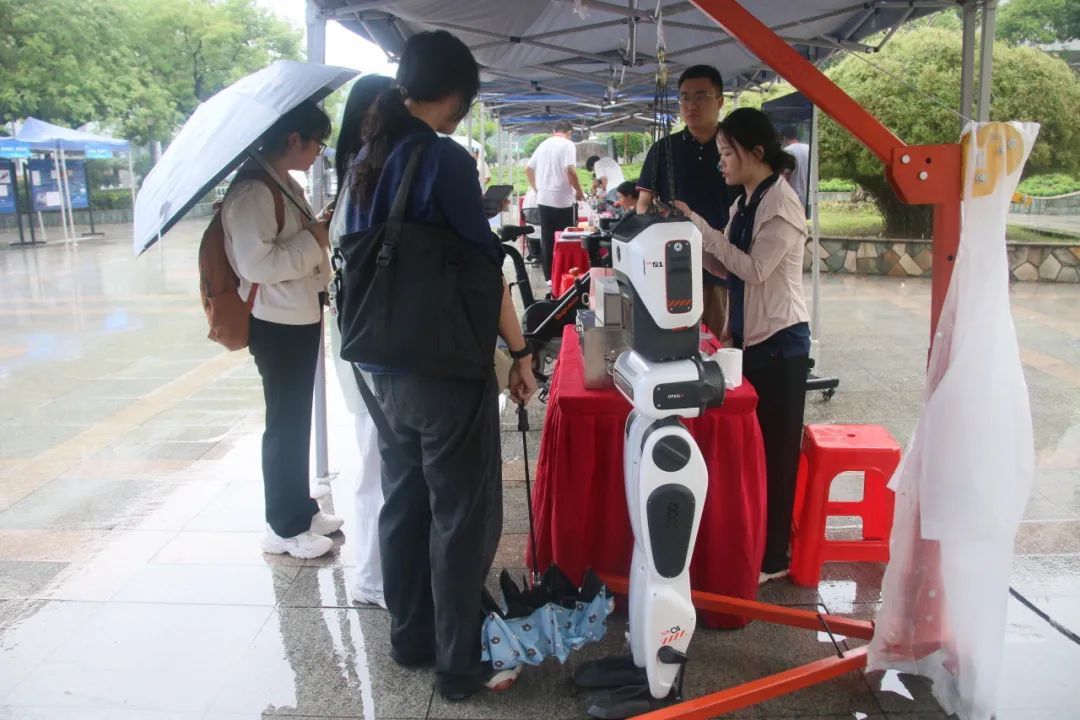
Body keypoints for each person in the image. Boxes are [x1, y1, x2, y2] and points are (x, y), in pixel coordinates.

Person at [345, 30, 537, 701]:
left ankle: (411, 638)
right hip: (442, 366)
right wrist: (520, 353)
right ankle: (459, 665)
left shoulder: (366, 158)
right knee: (461, 516)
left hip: (381, 366)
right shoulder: (442, 158)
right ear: (455, 93)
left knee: (405, 503)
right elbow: (485, 267)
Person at [675, 108, 810, 584]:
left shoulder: (783, 206)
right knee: (756, 453)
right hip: (751, 337)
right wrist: (693, 239)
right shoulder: (747, 201)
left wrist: (702, 228)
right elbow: (726, 267)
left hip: (781, 342)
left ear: (756, 152)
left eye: (727, 153)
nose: (722, 163)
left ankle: (775, 558)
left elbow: (754, 270)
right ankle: (756, 544)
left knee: (776, 454)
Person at [222, 101, 341, 560]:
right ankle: (283, 527)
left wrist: (316, 230)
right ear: (294, 139)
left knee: (296, 420)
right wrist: (315, 238)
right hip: (275, 321)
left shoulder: (282, 182)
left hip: (297, 314)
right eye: (317, 144)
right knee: (284, 425)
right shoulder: (253, 191)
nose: (317, 154)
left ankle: (301, 509)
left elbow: (298, 240)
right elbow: (257, 264)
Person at [331, 73, 395, 607]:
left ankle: (381, 571)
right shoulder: (363, 176)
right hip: (368, 338)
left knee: (379, 453)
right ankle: (373, 576)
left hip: (365, 335)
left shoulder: (361, 174)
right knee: (375, 456)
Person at [637, 64, 731, 339]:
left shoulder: (735, 148)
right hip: (674, 263)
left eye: (701, 96)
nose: (691, 105)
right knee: (675, 337)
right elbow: (643, 204)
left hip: (725, 263)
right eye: (685, 98)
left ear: (720, 101)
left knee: (722, 340)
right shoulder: (664, 149)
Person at [526, 120, 585, 284]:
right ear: (569, 132)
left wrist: (537, 189)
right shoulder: (568, 145)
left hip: (544, 199)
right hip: (563, 199)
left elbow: (528, 169)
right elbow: (570, 170)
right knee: (565, 239)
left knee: (547, 239)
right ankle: (566, 274)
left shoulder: (543, 144)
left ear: (554, 131)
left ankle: (549, 279)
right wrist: (579, 191)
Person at [781, 125, 810, 212]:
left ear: (784, 138)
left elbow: (784, 177)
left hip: (793, 197)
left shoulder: (787, 151)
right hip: (808, 197)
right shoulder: (808, 148)